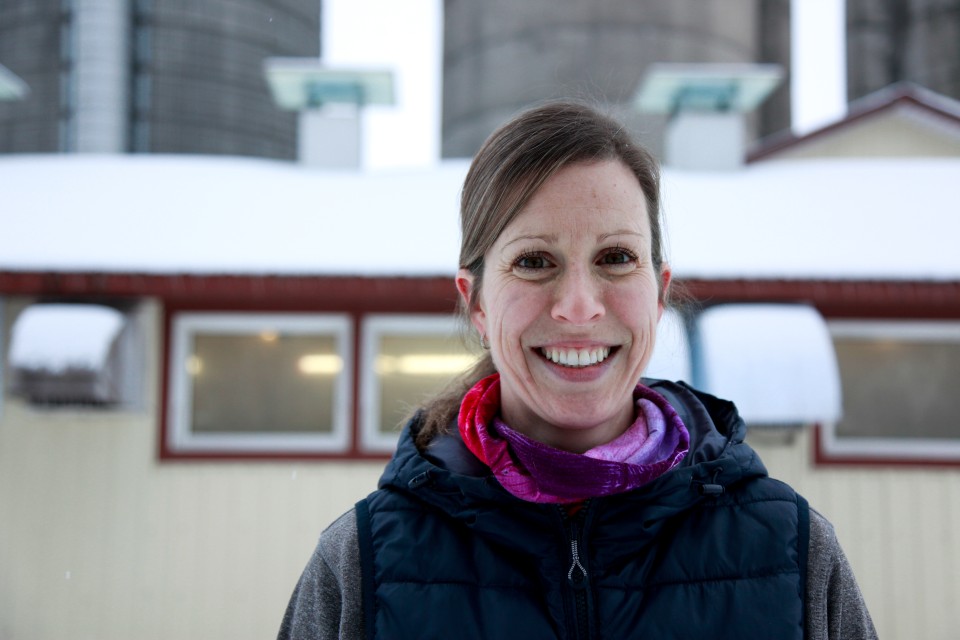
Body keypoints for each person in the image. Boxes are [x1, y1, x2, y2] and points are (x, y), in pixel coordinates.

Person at [278, 101, 878, 640]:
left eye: (616, 258)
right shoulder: (361, 565)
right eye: (535, 261)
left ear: (658, 291)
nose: (579, 306)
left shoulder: (793, 553)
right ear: (477, 301)